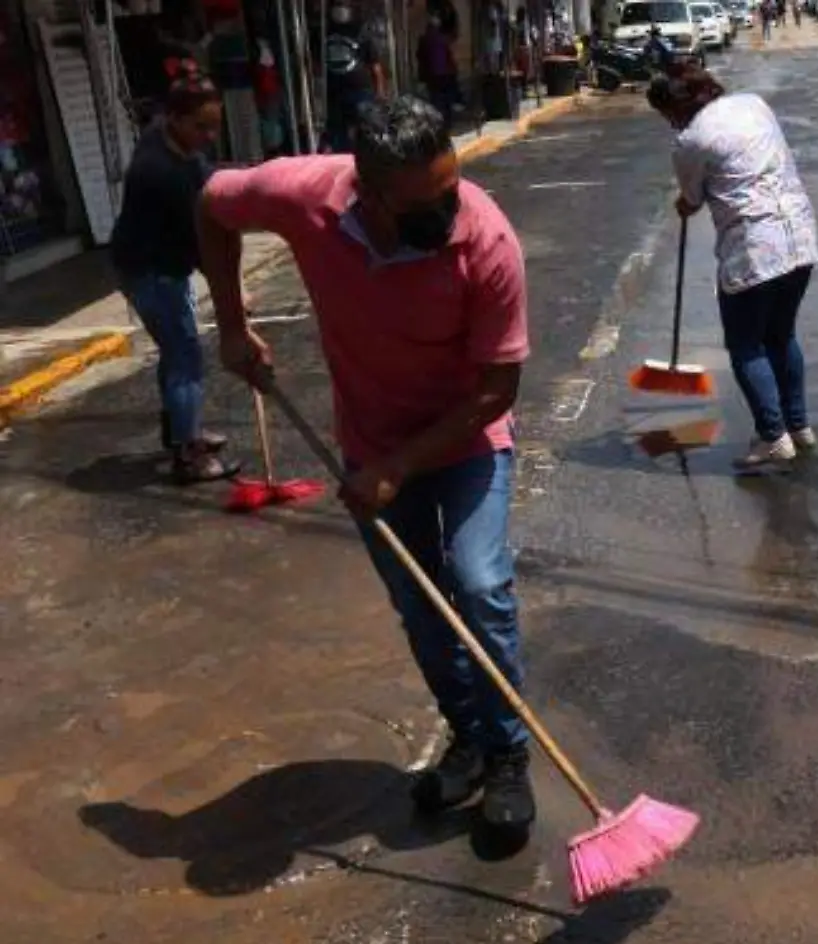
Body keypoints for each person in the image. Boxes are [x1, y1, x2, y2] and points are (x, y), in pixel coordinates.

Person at [197, 96, 539, 836]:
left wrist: (397, 465)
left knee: (478, 584)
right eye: (427, 202)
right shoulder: (305, 194)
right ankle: (471, 740)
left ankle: (511, 755)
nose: (451, 209)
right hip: (372, 440)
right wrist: (230, 322)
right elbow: (212, 205)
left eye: (453, 187)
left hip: (467, 438)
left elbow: (496, 390)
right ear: (370, 194)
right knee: (421, 607)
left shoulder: (486, 240)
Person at [649, 69, 818, 471]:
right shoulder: (753, 104)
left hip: (754, 248)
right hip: (799, 236)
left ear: (676, 107)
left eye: (667, 115)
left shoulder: (690, 141)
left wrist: (684, 204)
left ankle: (772, 435)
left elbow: (692, 198)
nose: (670, 124)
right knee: (781, 335)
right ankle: (799, 427)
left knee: (746, 345)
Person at [110, 66, 239, 484]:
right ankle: (189, 454)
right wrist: (232, 297)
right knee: (186, 357)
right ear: (176, 119)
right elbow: (202, 244)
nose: (209, 136)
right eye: (202, 127)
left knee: (175, 351)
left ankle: (181, 432)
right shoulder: (161, 172)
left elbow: (205, 172)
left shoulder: (169, 142)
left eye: (214, 126)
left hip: (151, 263)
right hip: (152, 273)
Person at [323, 2, 386, 151]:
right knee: (338, 135)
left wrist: (380, 91)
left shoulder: (361, 32)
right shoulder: (324, 32)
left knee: (367, 131)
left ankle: (367, 159)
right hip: (334, 93)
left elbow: (375, 65)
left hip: (360, 91)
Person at [417, 13, 459, 127]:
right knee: (445, 101)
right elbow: (450, 57)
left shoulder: (424, 39)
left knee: (436, 101)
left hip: (434, 76)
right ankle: (446, 123)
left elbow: (420, 58)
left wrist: (422, 76)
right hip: (444, 75)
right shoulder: (442, 39)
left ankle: (439, 123)